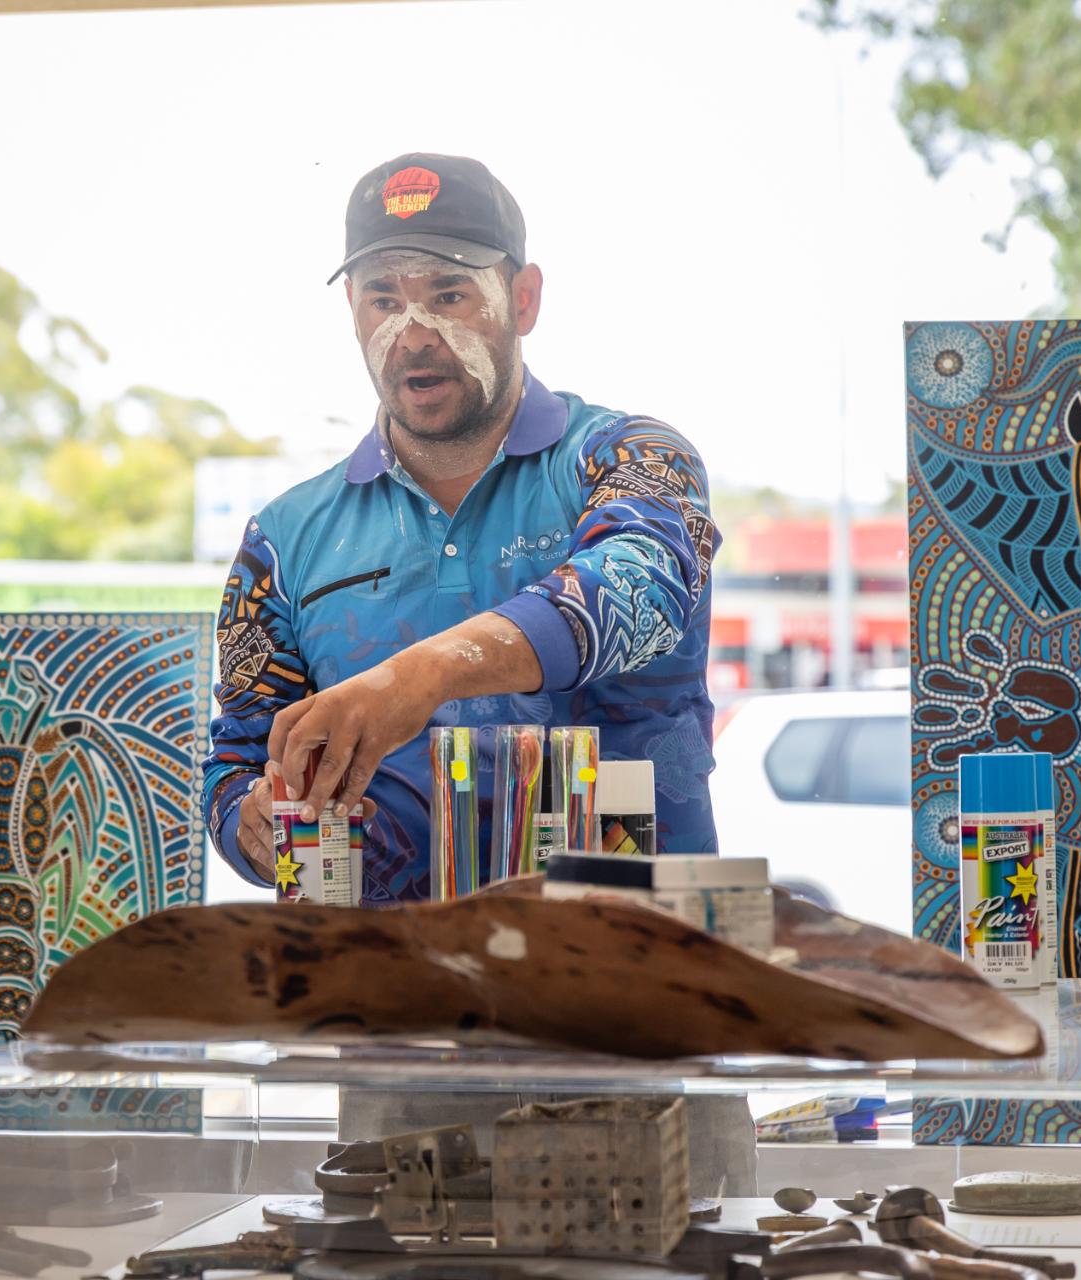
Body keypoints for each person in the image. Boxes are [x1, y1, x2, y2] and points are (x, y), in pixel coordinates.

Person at [201, 152, 753, 1194]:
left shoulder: (631, 459)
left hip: (639, 1015)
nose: (413, 328)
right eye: (381, 296)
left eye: (449, 290)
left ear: (523, 298)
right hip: (400, 1036)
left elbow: (639, 585)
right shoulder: (283, 537)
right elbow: (235, 758)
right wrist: (258, 820)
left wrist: (422, 673)